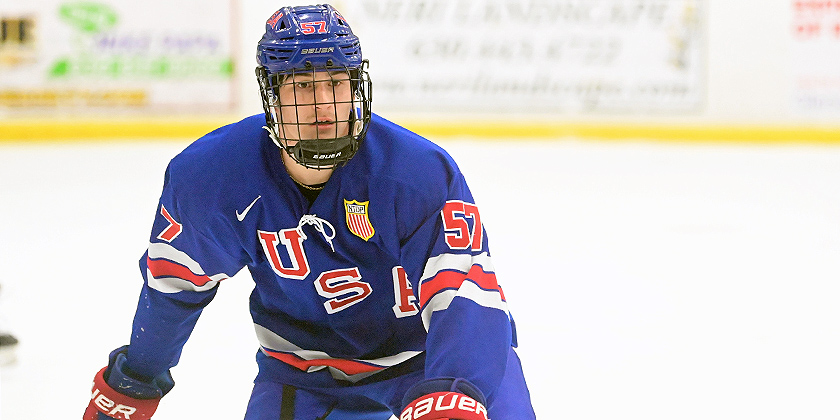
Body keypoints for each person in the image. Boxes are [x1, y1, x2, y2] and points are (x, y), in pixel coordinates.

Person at [83, 4, 536, 420]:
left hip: (430, 363)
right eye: (302, 85)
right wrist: (136, 381)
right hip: (303, 373)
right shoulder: (213, 178)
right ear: (272, 93)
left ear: (356, 86)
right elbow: (174, 285)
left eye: (336, 82)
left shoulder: (416, 174)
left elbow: (464, 290)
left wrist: (456, 387)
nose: (323, 103)